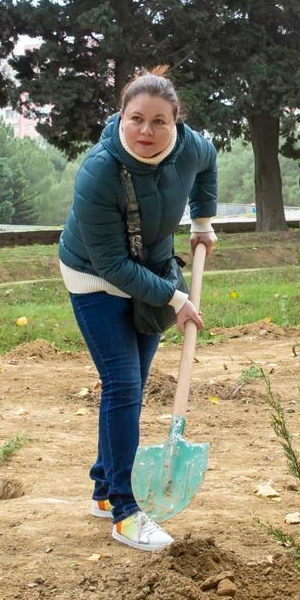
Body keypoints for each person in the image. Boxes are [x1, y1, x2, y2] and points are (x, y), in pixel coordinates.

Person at [59, 67, 218, 552]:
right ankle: (127, 511)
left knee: (129, 385)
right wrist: (177, 299)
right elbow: (108, 262)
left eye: (159, 121)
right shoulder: (99, 170)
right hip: (94, 277)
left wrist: (203, 222)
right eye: (135, 119)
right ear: (121, 117)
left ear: (177, 123)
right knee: (123, 383)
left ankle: (104, 491)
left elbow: (208, 164)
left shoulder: (191, 146)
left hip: (151, 269)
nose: (146, 131)